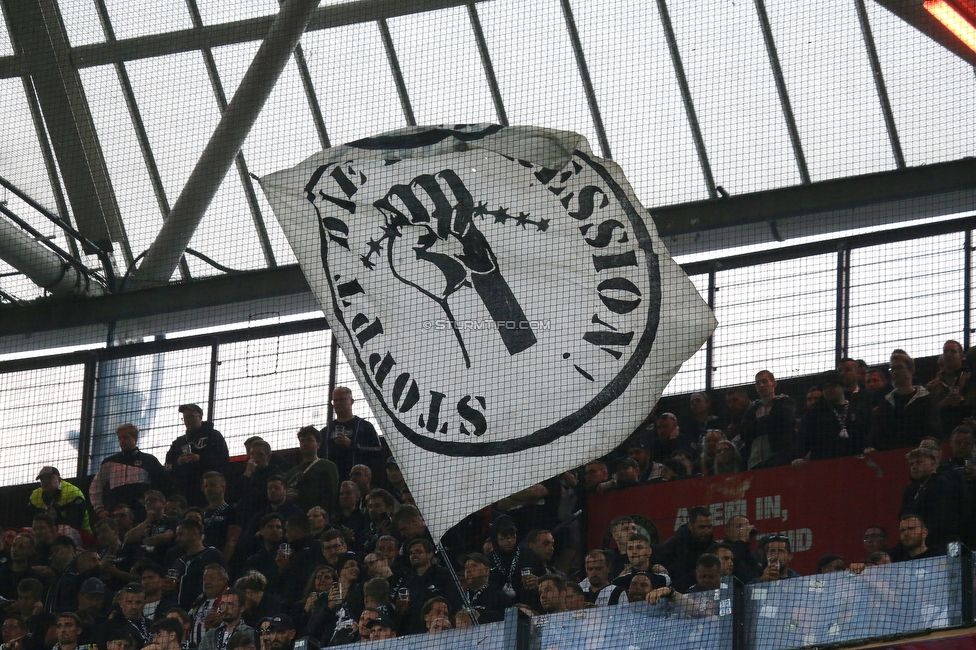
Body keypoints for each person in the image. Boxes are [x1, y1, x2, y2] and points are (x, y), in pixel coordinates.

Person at [90, 425, 172, 519]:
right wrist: (99, 509)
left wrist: (155, 504)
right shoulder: (109, 462)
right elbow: (96, 486)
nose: (122, 441)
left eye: (126, 437)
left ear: (135, 438)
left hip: (141, 512)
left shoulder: (148, 460)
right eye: (119, 438)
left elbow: (165, 483)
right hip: (116, 511)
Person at [868, 351, 941, 451]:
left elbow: (933, 428)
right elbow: (877, 433)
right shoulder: (886, 403)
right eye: (892, 369)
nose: (894, 372)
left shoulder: (926, 398)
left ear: (911, 369)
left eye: (898, 368)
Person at [794, 371, 871, 465]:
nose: (828, 390)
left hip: (856, 463)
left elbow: (867, 432)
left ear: (842, 386)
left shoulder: (857, 410)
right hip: (824, 465)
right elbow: (803, 438)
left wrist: (868, 447)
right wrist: (798, 457)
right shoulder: (814, 414)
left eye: (832, 386)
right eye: (825, 387)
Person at [900, 446, 964, 549]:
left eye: (919, 462)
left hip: (938, 547)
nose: (914, 467)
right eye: (911, 464)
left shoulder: (941, 483)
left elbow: (941, 519)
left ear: (933, 465)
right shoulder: (911, 489)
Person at [165, 405, 229, 508]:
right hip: (185, 490)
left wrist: (200, 458)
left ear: (200, 416)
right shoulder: (179, 442)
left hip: (207, 489)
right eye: (185, 417)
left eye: (190, 416)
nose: (187, 420)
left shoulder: (213, 436)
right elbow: (168, 465)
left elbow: (223, 458)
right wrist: (178, 462)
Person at [322, 387, 383, 483]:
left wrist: (352, 444)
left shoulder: (364, 426)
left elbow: (377, 450)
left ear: (352, 401)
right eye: (335, 401)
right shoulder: (326, 431)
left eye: (342, 400)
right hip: (331, 482)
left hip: (358, 481)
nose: (338, 403)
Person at [740, 371, 796, 469]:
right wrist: (769, 422)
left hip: (778, 459)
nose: (761, 385)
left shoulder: (785, 402)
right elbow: (744, 433)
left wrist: (757, 425)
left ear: (774, 383)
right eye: (758, 383)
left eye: (764, 381)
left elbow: (785, 423)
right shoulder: (752, 410)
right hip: (754, 462)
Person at [229, 441, 286, 528]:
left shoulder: (275, 473)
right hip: (244, 521)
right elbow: (233, 496)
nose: (254, 457)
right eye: (252, 454)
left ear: (268, 456)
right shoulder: (244, 473)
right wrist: (247, 473)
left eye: (259, 454)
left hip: (265, 519)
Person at [172, 521, 226, 612]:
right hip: (178, 614)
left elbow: (224, 583)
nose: (177, 539)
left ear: (194, 533)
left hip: (206, 611)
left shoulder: (212, 555)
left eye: (180, 534)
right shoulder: (178, 561)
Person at [282, 427, 338, 515]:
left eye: (309, 440)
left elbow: (332, 494)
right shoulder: (292, 472)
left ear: (318, 444)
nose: (305, 443)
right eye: (302, 441)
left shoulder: (327, 466)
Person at [926, 340, 976, 436]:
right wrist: (943, 404)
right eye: (945, 352)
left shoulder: (971, 381)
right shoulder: (932, 386)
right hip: (944, 434)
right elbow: (927, 414)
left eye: (953, 351)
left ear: (962, 356)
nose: (948, 355)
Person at [27, 467, 91, 537]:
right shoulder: (35, 496)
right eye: (42, 479)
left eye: (49, 478)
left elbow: (74, 524)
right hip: (48, 532)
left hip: (81, 533)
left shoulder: (73, 493)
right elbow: (30, 521)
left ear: (59, 479)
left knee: (65, 530)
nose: (45, 481)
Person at [659, 506, 714, 579]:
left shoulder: (714, 547)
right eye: (702, 527)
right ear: (691, 526)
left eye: (709, 527)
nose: (707, 531)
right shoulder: (670, 547)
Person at [124, 492, 178, 567]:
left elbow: (166, 537)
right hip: (142, 563)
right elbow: (127, 538)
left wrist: (142, 540)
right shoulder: (143, 524)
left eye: (152, 500)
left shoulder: (171, 520)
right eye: (146, 502)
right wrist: (148, 520)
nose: (148, 503)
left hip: (161, 562)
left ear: (163, 504)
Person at [200, 473, 241, 564]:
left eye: (212, 485)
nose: (208, 489)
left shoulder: (232, 512)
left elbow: (232, 540)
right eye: (206, 485)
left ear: (223, 487)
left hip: (220, 561)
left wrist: (221, 563)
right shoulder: (201, 513)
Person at [461, 553, 511, 623]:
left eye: (473, 566)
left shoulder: (500, 598)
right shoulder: (459, 597)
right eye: (466, 567)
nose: (468, 570)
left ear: (486, 570)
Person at [104, 583, 153, 649]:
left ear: (144, 603)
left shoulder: (151, 625)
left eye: (138, 602)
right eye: (129, 602)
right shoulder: (110, 626)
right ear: (120, 602)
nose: (134, 607)